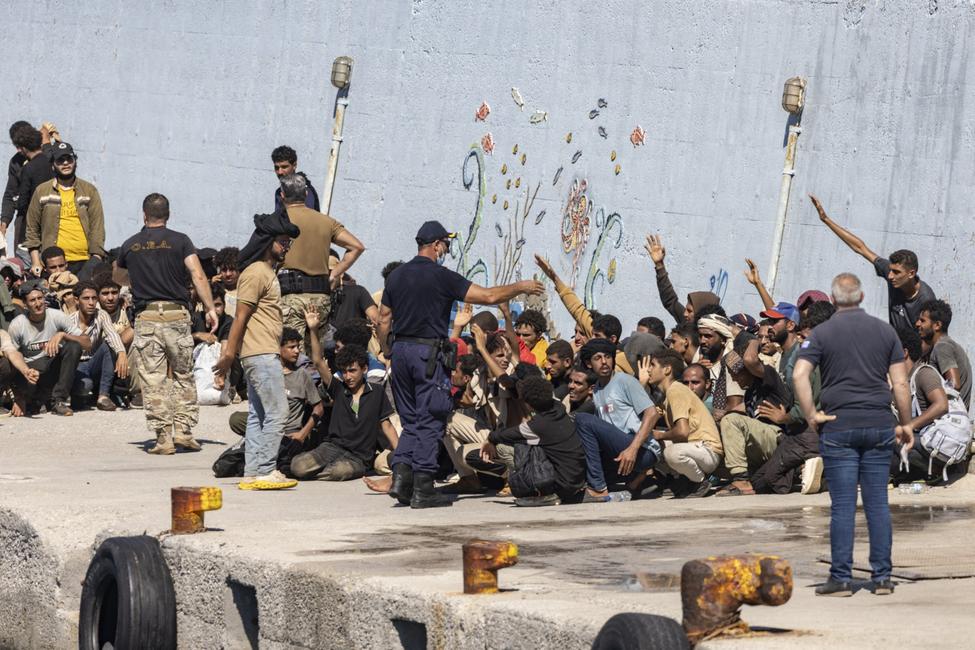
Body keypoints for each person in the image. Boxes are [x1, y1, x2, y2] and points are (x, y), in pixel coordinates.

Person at [377, 220, 544, 509]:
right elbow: (489, 296)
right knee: (431, 416)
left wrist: (387, 349)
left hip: (401, 351)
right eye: (446, 244)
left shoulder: (396, 276)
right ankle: (424, 487)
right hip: (427, 353)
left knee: (412, 418)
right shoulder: (442, 277)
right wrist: (520, 286)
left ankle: (402, 480)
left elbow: (382, 319)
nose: (446, 250)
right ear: (437, 245)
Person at [794, 272, 913, 597]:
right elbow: (901, 384)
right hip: (878, 424)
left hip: (838, 425)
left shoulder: (820, 334)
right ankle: (883, 578)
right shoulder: (884, 331)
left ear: (833, 301)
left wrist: (811, 415)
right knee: (877, 503)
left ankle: (842, 579)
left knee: (843, 505)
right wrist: (905, 424)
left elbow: (799, 374)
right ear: (861, 298)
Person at [118, 193, 215, 454]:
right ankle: (183, 431)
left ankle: (163, 438)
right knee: (183, 373)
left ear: (144, 215)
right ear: (168, 215)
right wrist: (209, 308)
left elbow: (118, 276)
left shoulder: (130, 245)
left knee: (153, 379)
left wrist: (139, 278)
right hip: (177, 316)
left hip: (147, 317)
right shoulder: (181, 241)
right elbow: (198, 275)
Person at [214, 209, 299, 490]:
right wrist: (228, 355)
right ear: (267, 241)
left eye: (288, 242)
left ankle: (252, 472)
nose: (286, 247)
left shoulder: (264, 272)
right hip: (260, 354)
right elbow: (240, 316)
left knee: (259, 414)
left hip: (261, 352)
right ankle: (265, 470)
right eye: (282, 241)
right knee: (279, 411)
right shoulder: (255, 273)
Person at [810, 194, 936, 332]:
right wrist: (826, 219)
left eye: (897, 272)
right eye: (891, 270)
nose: (890, 276)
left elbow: (930, 338)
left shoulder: (926, 298)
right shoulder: (890, 273)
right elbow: (860, 248)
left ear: (911, 273)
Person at [277, 173, 365, 353]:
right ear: (307, 194)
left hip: (290, 298)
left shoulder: (278, 220)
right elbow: (356, 246)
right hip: (320, 299)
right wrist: (335, 273)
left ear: (282, 195)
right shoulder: (326, 221)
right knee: (315, 354)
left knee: (291, 355)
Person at [291, 338, 398, 481]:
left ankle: (321, 472)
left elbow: (387, 426)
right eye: (344, 372)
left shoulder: (377, 392)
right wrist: (314, 330)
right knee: (298, 466)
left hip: (359, 457)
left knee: (339, 471)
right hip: (331, 448)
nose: (348, 377)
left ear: (364, 369)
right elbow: (317, 361)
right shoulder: (339, 388)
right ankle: (320, 470)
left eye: (352, 371)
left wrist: (401, 455)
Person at [475, 375, 587, 506]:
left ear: (528, 404)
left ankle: (540, 490)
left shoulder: (538, 426)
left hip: (562, 485)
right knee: (531, 445)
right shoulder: (558, 408)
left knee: (504, 448)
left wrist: (489, 439)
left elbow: (506, 435)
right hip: (577, 478)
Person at [574, 338, 662, 500]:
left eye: (607, 356)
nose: (604, 362)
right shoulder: (597, 390)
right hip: (620, 451)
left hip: (642, 450)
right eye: (597, 358)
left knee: (582, 419)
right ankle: (637, 484)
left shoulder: (625, 381)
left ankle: (598, 488)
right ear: (588, 363)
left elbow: (652, 413)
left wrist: (633, 449)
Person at [715, 338, 793, 496]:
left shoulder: (769, 378)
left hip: (779, 439)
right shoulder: (750, 393)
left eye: (736, 374)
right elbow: (733, 413)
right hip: (764, 445)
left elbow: (750, 360)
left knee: (731, 421)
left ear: (748, 370)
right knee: (716, 457)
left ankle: (741, 480)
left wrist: (754, 340)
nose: (735, 380)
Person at [639, 350, 723, 498]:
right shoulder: (668, 395)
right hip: (696, 449)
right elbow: (646, 416)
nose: (648, 370)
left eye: (652, 365)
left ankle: (700, 482)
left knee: (671, 452)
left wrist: (660, 434)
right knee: (649, 443)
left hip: (707, 450)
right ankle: (682, 482)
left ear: (667, 369)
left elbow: (682, 431)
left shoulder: (676, 391)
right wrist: (641, 385)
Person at [534, 254, 633, 373]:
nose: (591, 338)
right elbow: (576, 308)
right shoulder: (594, 344)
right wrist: (554, 277)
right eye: (592, 334)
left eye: (597, 336)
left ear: (612, 339)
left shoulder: (619, 363)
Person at [8, 280, 91, 416]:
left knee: (85, 382)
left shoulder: (56, 316)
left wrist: (63, 335)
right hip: (32, 372)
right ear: (25, 304)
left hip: (53, 368)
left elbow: (87, 343)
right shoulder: (17, 325)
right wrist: (18, 396)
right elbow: (12, 359)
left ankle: (58, 401)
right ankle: (38, 399)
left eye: (40, 298)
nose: (38, 303)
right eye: (32, 300)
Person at [25, 141, 105, 280]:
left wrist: (96, 257)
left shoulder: (89, 190)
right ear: (53, 164)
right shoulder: (42, 191)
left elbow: (97, 227)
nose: (66, 163)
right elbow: (32, 229)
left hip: (84, 262)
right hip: (53, 264)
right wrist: (36, 261)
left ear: (75, 161)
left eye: (69, 159)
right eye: (60, 160)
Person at [890, 326, 953, 485]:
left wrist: (909, 426)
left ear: (903, 353)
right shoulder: (903, 381)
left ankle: (931, 471)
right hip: (916, 446)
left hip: (928, 447)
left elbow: (941, 405)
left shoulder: (924, 373)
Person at [70, 281, 127, 411]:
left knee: (109, 344)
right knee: (85, 386)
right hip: (76, 367)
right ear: (76, 300)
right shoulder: (68, 320)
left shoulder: (101, 315)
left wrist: (121, 352)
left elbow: (112, 334)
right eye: (86, 298)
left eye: (94, 298)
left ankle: (103, 396)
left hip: (94, 363)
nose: (91, 302)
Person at [644, 233, 720, 324]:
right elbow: (670, 300)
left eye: (689, 311)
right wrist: (659, 265)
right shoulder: (688, 324)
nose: (684, 314)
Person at [915, 299, 971, 409]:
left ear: (937, 325)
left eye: (922, 321)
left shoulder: (942, 347)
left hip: (947, 421)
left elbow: (954, 385)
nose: (917, 324)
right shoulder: (945, 345)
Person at [2, 121, 34, 247]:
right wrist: (4, 224)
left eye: (22, 145)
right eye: (16, 145)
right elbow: (10, 194)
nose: (19, 149)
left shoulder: (47, 156)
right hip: (23, 217)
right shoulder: (16, 162)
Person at [272, 145, 320, 211]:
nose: (280, 172)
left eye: (284, 167)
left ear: (294, 165)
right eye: (276, 168)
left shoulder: (304, 190)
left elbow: (307, 218)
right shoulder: (279, 191)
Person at [213, 246, 239, 317]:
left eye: (232, 269)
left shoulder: (246, 291)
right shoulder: (216, 291)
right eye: (224, 270)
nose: (228, 274)